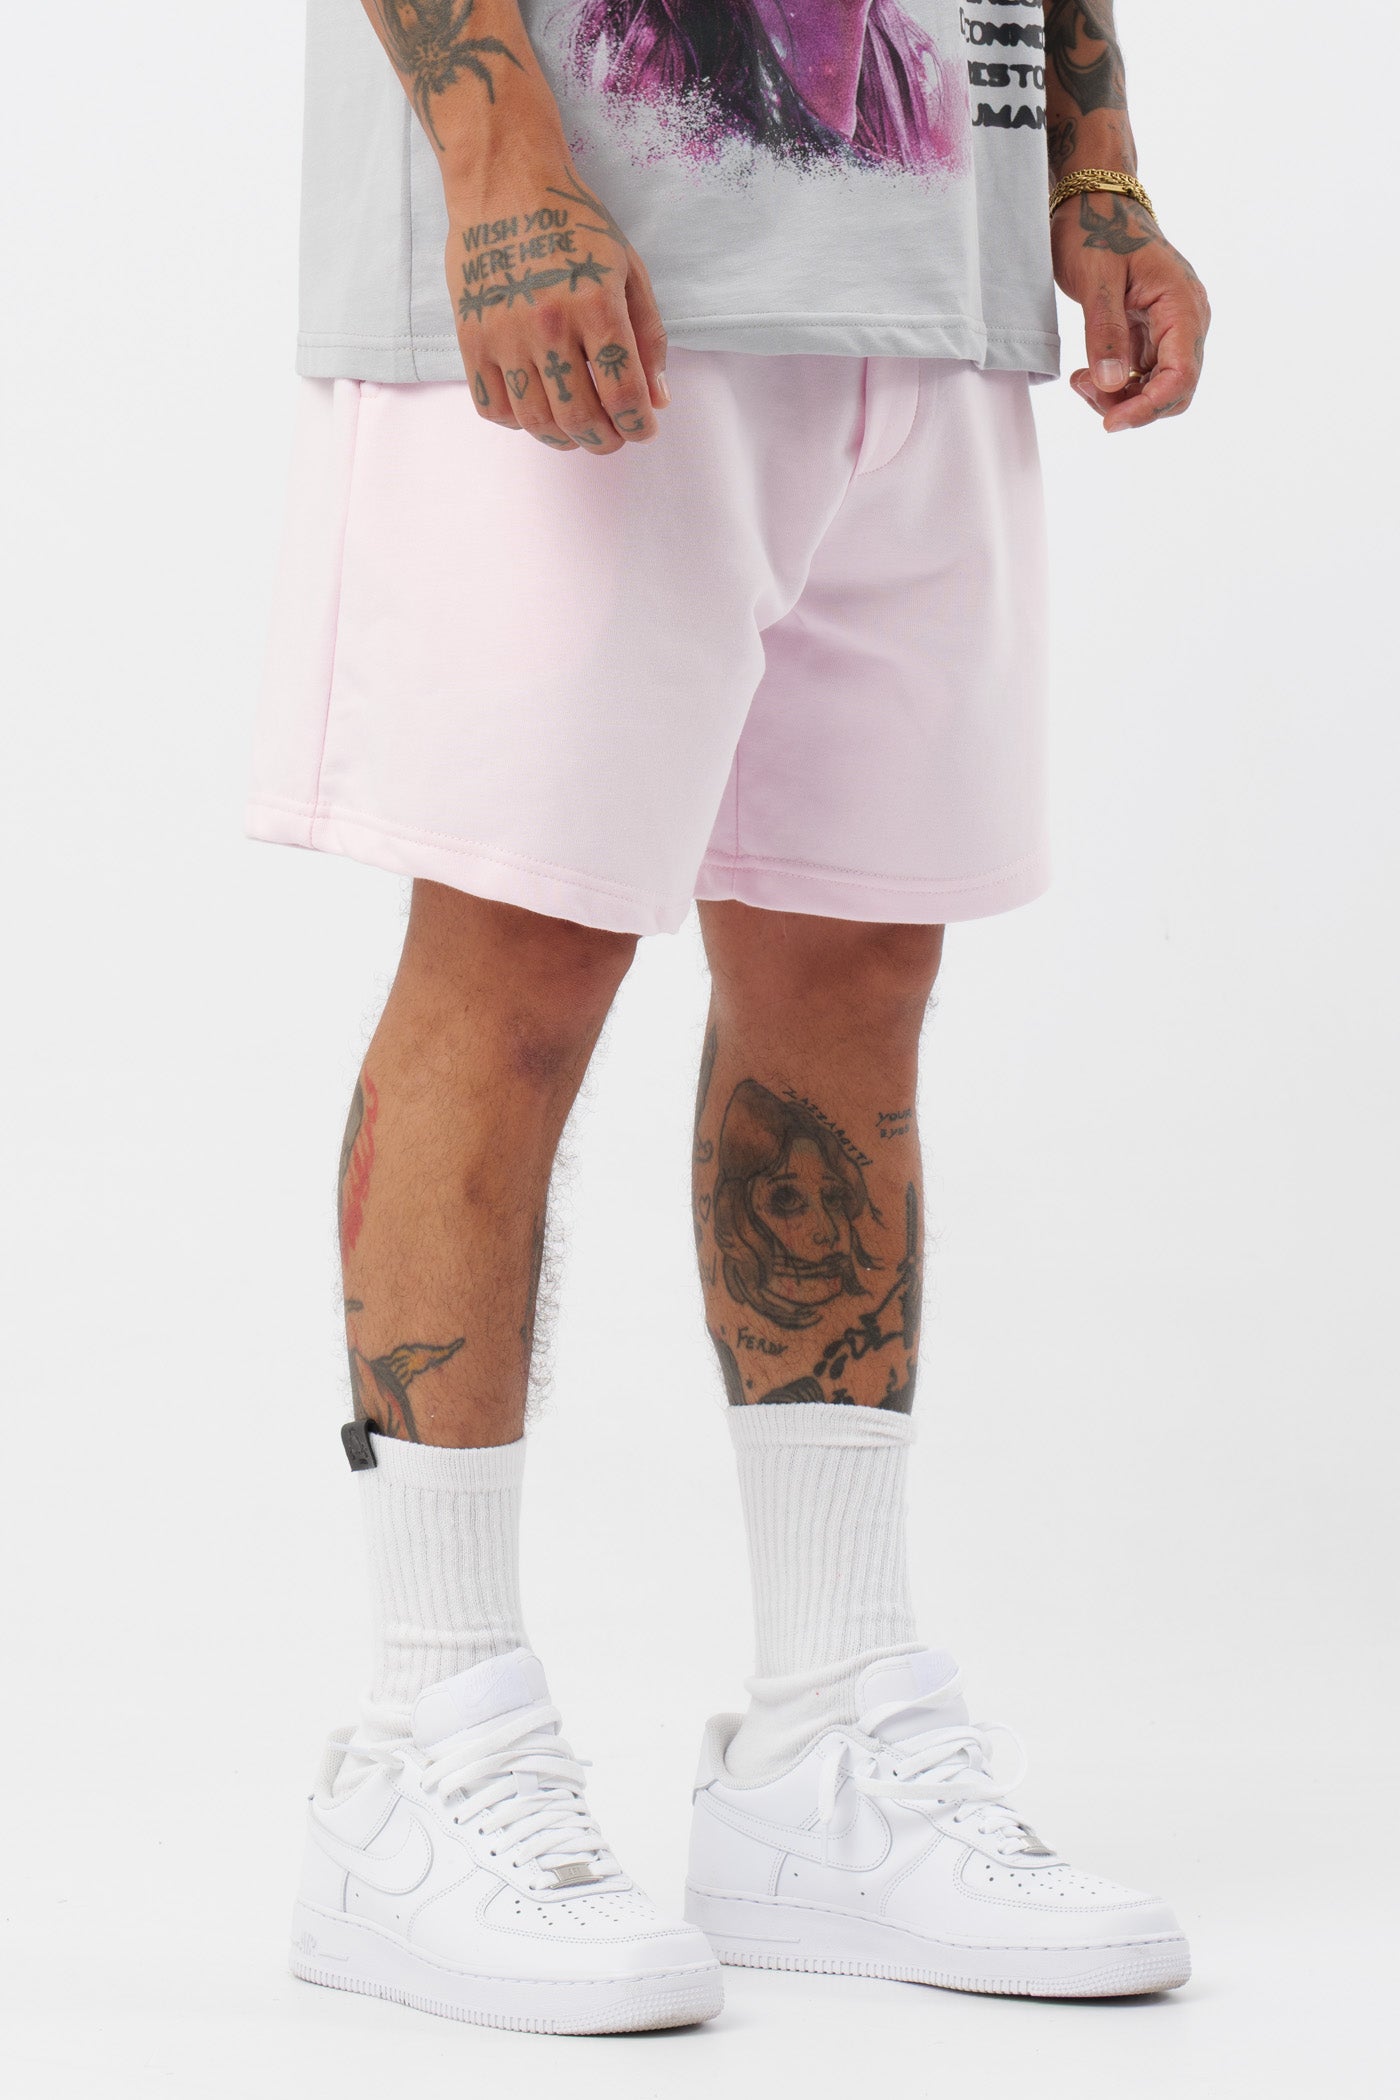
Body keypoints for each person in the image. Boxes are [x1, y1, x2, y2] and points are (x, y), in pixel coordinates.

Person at [250, 0, 1209, 2035]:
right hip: (591, 253)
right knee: (517, 959)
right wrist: (500, 165)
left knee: (854, 968)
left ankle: (827, 1746)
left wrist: (1094, 172)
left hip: (925, 276)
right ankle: (425, 1743)